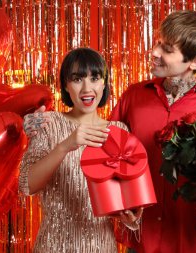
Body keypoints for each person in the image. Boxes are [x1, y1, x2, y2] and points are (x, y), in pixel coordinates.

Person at [24, 11, 196, 253]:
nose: (155, 53)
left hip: (192, 242)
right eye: (158, 43)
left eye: (167, 49)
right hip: (141, 240)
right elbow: (100, 152)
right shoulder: (134, 97)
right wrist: (42, 123)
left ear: (195, 62)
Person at [19, 47, 142, 253]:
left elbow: (127, 196)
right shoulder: (49, 123)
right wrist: (65, 145)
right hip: (54, 246)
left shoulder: (119, 131)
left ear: (104, 83)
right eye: (77, 79)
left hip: (102, 245)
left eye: (94, 78)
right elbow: (26, 185)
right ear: (66, 86)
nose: (87, 88)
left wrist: (130, 214)